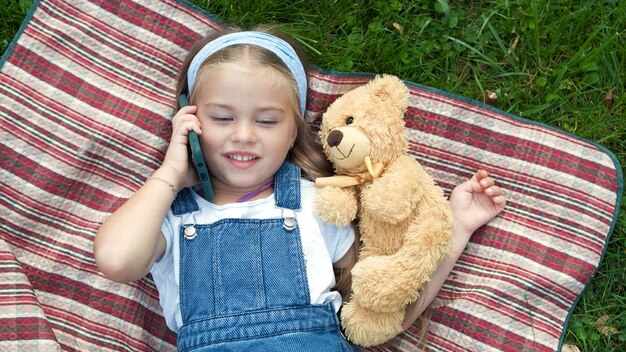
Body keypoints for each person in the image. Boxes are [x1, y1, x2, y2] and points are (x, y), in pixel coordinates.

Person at [93, 26, 506, 351]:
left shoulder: (316, 205)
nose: (244, 135)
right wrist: (169, 174)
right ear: (189, 121)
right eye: (221, 118)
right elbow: (115, 259)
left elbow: (385, 307)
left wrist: (458, 229)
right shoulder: (170, 215)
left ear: (294, 132)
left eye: (267, 121)